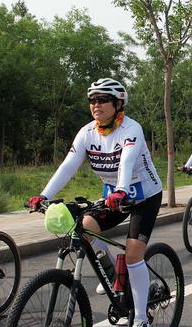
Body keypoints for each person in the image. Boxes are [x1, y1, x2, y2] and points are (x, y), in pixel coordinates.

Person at [28, 78, 162, 327]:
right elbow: (68, 166)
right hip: (114, 196)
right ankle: (112, 274)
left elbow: (127, 161)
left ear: (118, 103)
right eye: (92, 100)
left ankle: (141, 318)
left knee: (133, 256)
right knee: (84, 228)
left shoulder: (132, 129)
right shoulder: (87, 132)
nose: (95, 105)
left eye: (102, 100)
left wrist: (121, 189)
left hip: (145, 196)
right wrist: (44, 195)